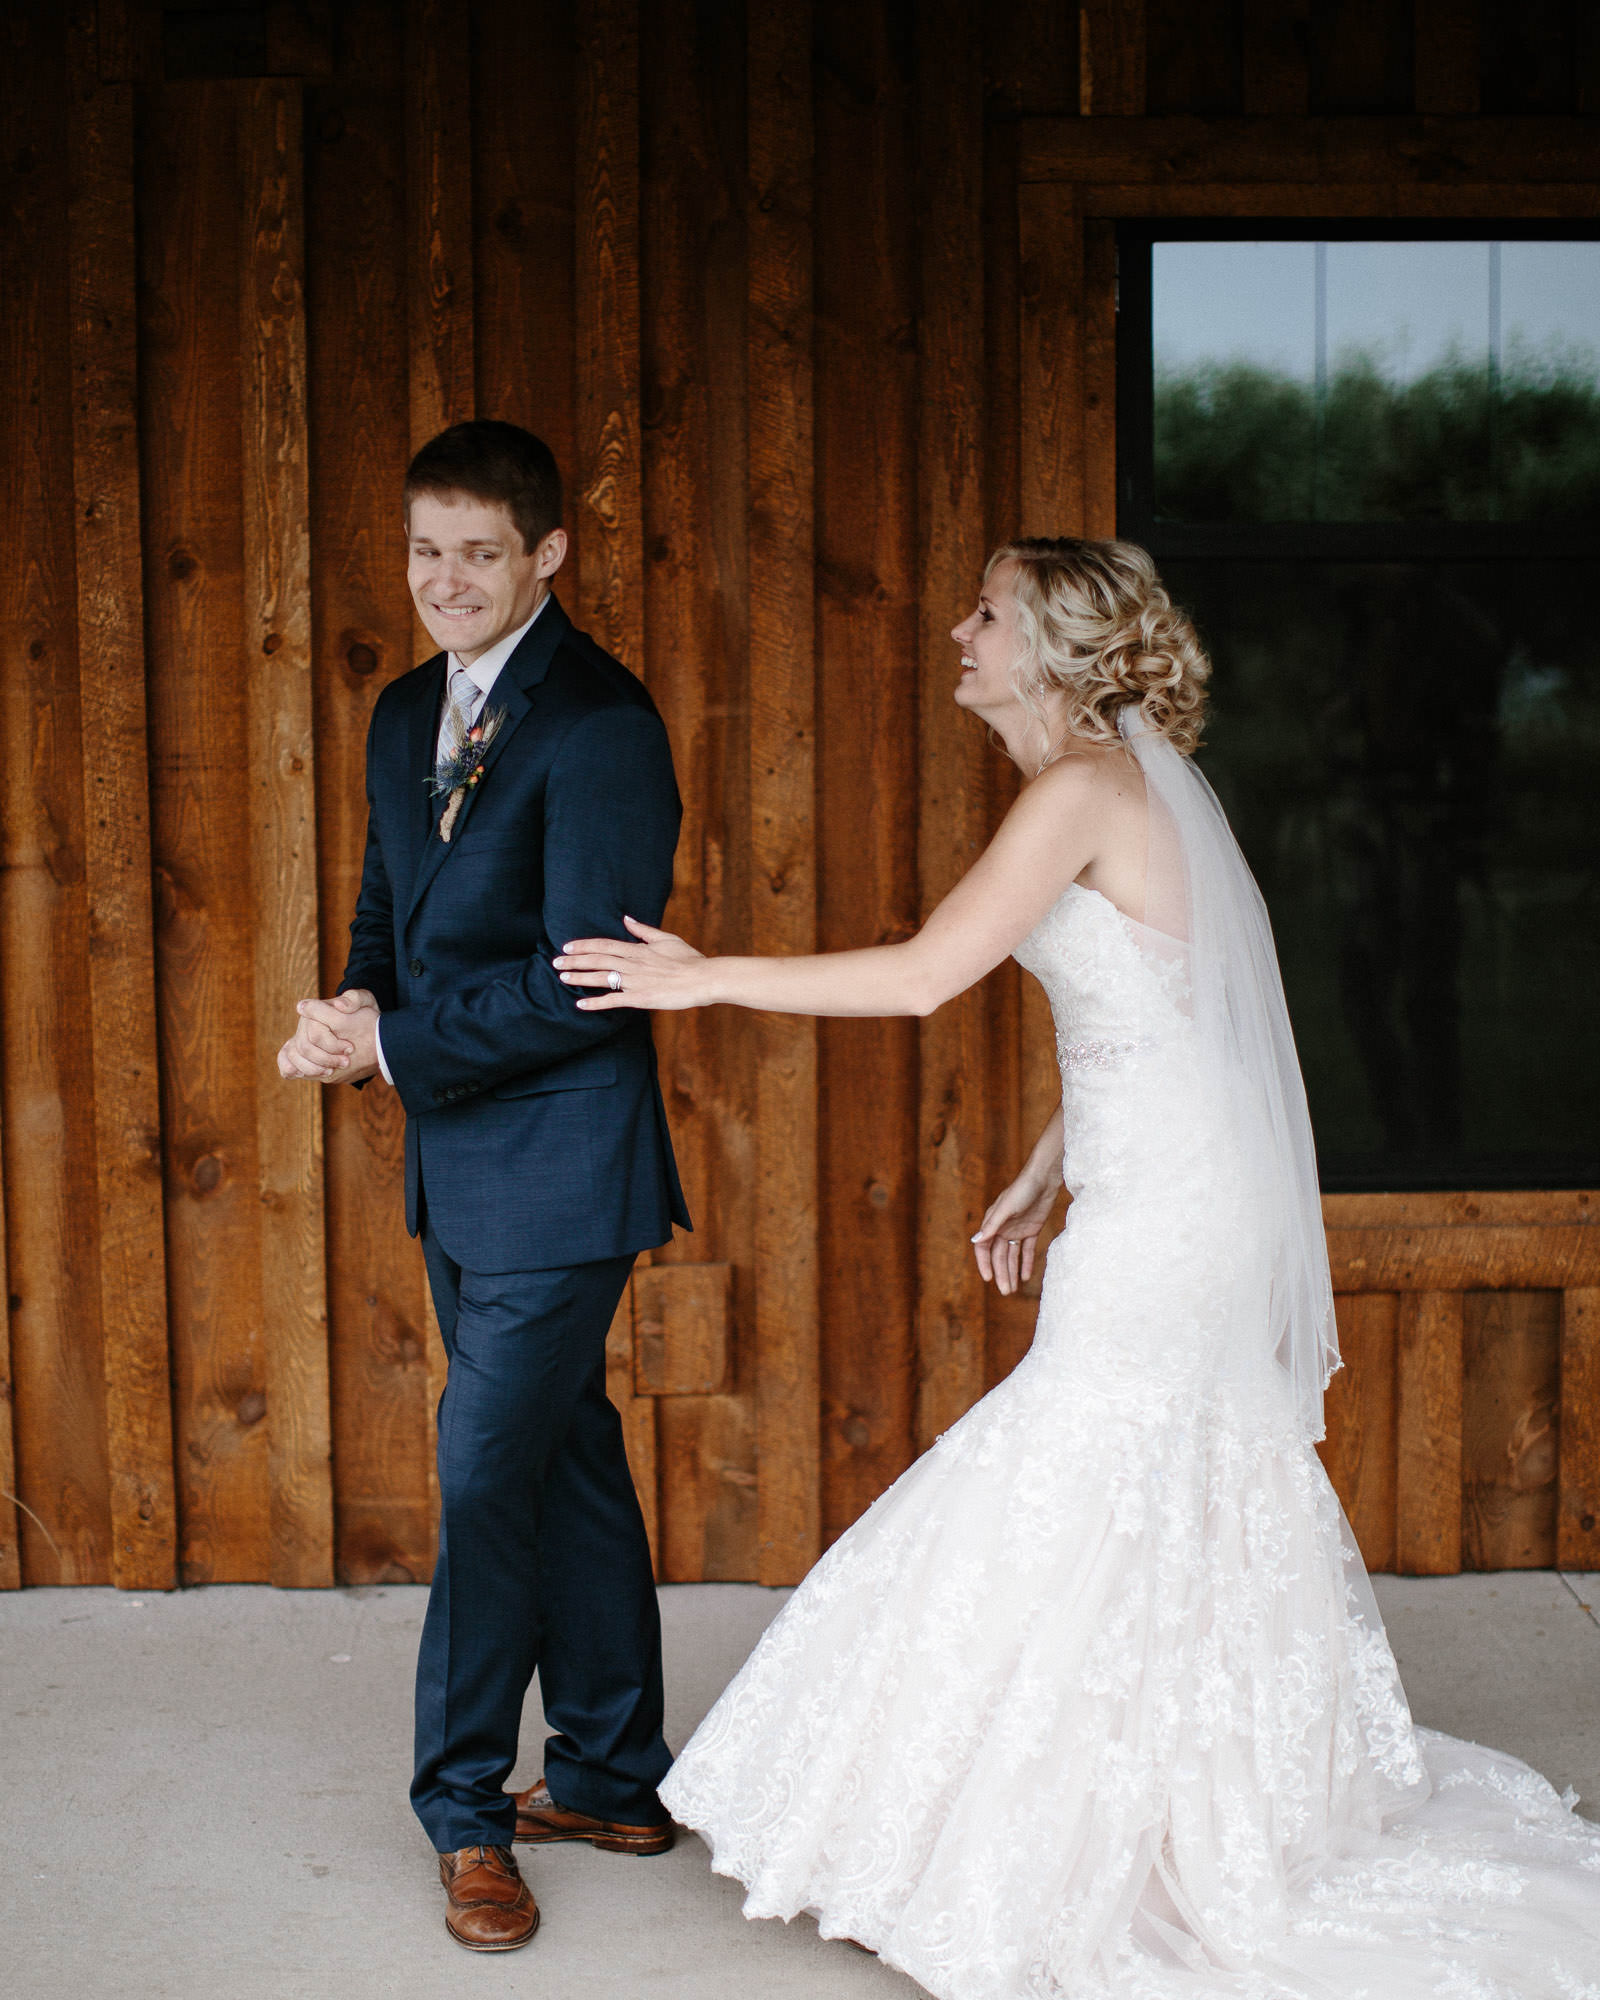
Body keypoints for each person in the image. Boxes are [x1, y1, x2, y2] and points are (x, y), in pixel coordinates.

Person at [553, 539, 1600, 1999]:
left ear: (1051, 649)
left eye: (988, 613)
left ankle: (1066, 1845)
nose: (961, 632)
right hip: (1173, 1186)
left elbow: (926, 976)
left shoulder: (1084, 793)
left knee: (1079, 1463)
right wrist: (1050, 1166)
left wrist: (703, 975)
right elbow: (1173, 1009)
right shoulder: (1128, 789)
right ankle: (1166, 1815)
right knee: (1157, 1485)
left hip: (1176, 1219)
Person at [277, 420, 691, 1953]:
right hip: (456, 1159)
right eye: (422, 548)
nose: (444, 580)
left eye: (477, 553)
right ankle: (609, 1775)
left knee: (482, 1471)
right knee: (563, 1450)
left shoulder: (602, 724)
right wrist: (349, 1008)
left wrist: (393, 1045)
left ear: (548, 557)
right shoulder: (402, 713)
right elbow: (396, 895)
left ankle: (462, 1809)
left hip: (566, 1169)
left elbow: (591, 984)